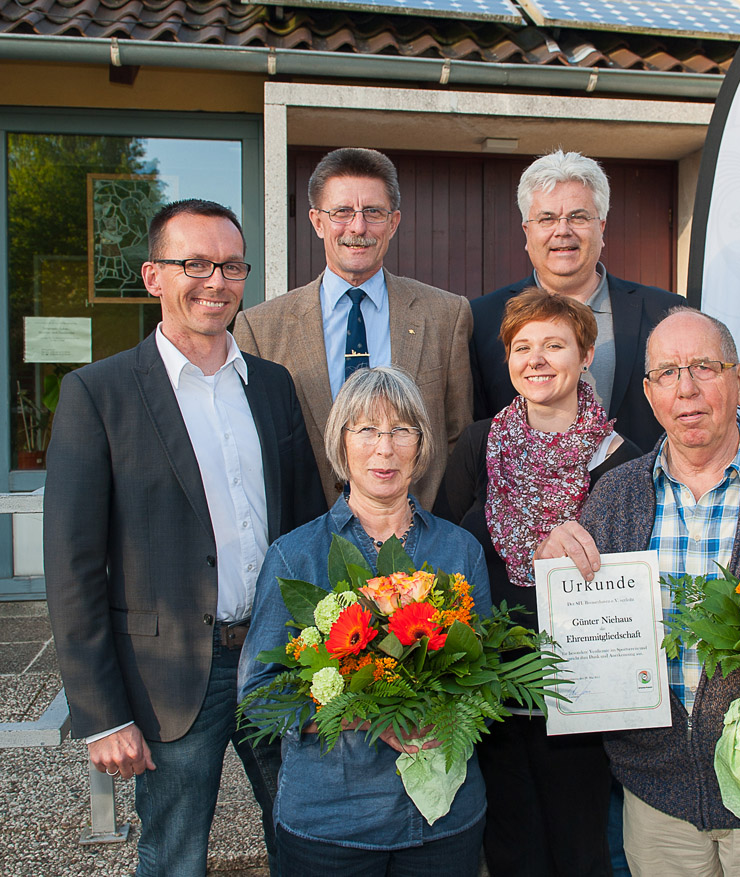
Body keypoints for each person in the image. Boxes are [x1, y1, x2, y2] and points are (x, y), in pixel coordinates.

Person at [536, 308, 740, 877]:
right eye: (668, 372)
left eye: (704, 367)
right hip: (659, 803)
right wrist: (556, 572)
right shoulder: (615, 495)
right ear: (649, 393)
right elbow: (581, 636)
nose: (686, 388)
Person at [44, 199, 326, 877]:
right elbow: (73, 565)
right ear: (152, 276)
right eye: (193, 263)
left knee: (311, 838)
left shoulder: (273, 386)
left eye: (231, 265)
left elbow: (307, 526)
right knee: (172, 857)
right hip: (168, 675)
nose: (215, 280)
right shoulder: (98, 393)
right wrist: (101, 713)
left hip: (275, 659)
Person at [239, 367, 490, 876]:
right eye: (366, 430)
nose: (384, 448)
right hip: (332, 824)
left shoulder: (458, 549)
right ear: (340, 443)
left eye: (401, 430)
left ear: (420, 446)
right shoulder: (296, 557)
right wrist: (365, 714)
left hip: (443, 822)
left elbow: (489, 676)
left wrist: (448, 708)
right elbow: (258, 699)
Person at [436, 288, 640, 877]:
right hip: (490, 688)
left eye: (555, 345)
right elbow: (447, 554)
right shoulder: (478, 445)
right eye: (522, 347)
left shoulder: (622, 459)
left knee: (582, 848)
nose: (538, 359)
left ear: (586, 354)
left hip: (580, 694)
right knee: (509, 844)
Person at [234, 147, 472, 510]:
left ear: (393, 223)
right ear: (317, 221)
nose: (358, 227)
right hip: (306, 544)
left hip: (417, 543)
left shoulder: (446, 315)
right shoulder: (259, 328)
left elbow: (457, 436)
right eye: (342, 212)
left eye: (373, 212)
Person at [469, 149, 682, 453]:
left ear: (602, 227)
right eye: (547, 218)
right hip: (518, 498)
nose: (563, 230)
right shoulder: (483, 320)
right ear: (527, 233)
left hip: (639, 496)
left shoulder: (664, 313)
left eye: (578, 217)